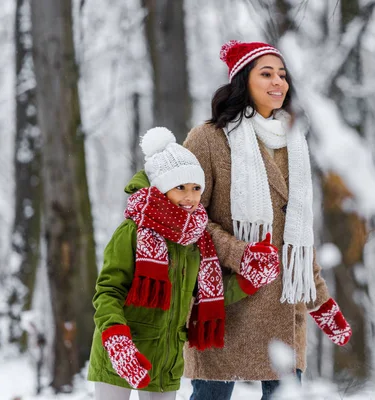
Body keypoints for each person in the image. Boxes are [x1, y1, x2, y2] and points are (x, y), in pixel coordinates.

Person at [183, 40, 353, 400]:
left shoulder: (294, 142)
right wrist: (239, 253)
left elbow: (298, 238)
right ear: (244, 80)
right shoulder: (208, 139)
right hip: (225, 302)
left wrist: (320, 301)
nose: (279, 82)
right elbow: (185, 217)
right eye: (266, 73)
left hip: (284, 309)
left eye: (282, 74)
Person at [87, 127, 263, 400]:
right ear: (160, 187)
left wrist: (250, 278)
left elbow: (205, 293)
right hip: (122, 349)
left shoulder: (195, 239)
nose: (190, 197)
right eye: (180, 187)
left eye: (196, 188)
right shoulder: (133, 231)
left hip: (166, 358)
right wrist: (117, 340)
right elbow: (108, 291)